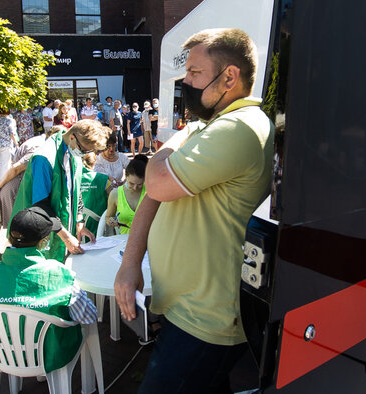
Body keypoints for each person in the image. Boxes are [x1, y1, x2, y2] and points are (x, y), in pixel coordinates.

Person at [114, 28, 275, 393]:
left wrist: (168, 147)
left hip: (207, 320)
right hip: (186, 309)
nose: (185, 81)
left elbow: (155, 184)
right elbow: (153, 197)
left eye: (195, 73)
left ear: (229, 76)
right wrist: (129, 265)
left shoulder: (239, 127)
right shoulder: (209, 126)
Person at [0, 207, 98, 372]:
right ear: (43, 242)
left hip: (7, 353)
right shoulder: (58, 273)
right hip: (51, 354)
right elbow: (89, 315)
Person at [10, 119, 108, 263]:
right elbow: (40, 207)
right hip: (39, 233)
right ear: (72, 137)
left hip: (60, 227)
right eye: (84, 150)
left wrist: (79, 220)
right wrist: (66, 237)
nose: (85, 155)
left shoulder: (73, 151)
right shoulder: (44, 159)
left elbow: (76, 189)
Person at [0, 125, 63, 227]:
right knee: (17, 228)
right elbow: (16, 169)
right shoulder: (39, 149)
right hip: (14, 190)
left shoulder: (41, 140)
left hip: (18, 186)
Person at [105, 155, 147, 234]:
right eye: (131, 183)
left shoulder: (149, 192)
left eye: (139, 185)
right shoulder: (115, 194)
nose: (135, 188)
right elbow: (108, 217)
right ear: (126, 177)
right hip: (125, 239)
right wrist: (110, 220)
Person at [80, 152, 112, 236]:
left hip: (76, 224)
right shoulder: (104, 179)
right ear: (95, 162)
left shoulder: (73, 178)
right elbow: (112, 200)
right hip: (99, 225)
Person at [0, 109, 18, 182]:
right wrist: (16, 144)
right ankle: (4, 182)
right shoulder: (9, 121)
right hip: (5, 144)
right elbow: (12, 133)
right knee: (5, 164)